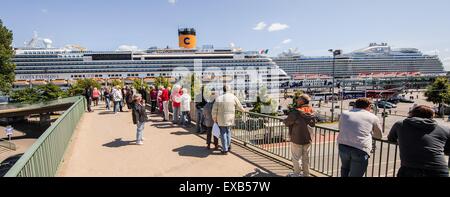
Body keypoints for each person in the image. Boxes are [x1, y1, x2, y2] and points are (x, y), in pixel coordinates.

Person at [388, 105, 450, 177]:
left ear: (412, 114)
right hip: (438, 170)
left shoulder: (400, 124)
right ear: (432, 116)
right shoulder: (445, 129)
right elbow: (447, 150)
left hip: (410, 168)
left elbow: (391, 138)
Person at [337, 98, 383, 177]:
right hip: (360, 148)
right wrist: (370, 134)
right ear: (369, 106)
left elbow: (340, 128)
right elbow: (379, 135)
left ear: (355, 105)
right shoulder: (372, 117)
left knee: (345, 168)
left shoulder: (344, 113)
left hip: (343, 146)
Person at [283, 94, 316, 177]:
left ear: (302, 101)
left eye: (298, 99)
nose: (297, 100)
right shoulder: (311, 110)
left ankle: (297, 174)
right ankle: (306, 174)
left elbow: (287, 122)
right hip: (308, 138)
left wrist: (285, 120)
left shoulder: (296, 111)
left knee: (296, 157)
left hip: (297, 138)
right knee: (306, 158)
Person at [212, 85, 246, 154]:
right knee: (228, 131)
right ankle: (229, 146)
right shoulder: (233, 97)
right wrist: (243, 111)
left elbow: (214, 110)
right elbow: (239, 106)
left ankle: (225, 149)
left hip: (221, 119)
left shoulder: (219, 98)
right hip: (230, 118)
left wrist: (214, 118)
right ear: (229, 90)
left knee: (223, 133)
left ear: (223, 90)